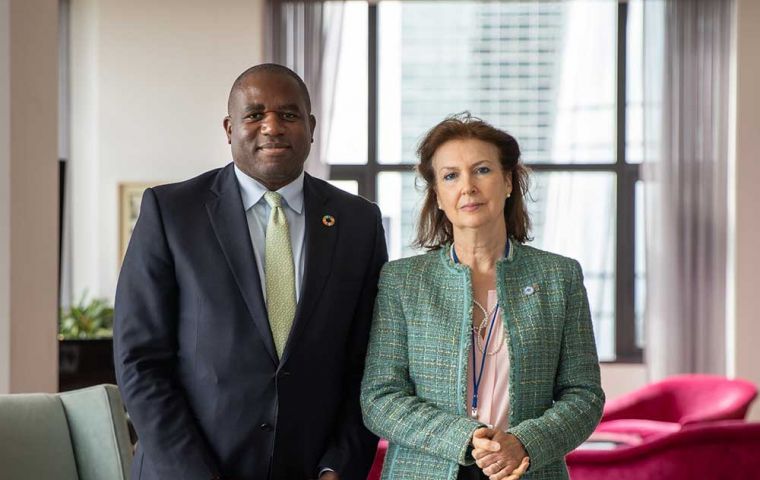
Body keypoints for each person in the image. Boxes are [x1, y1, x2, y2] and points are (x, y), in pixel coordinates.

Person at [114, 63, 387, 480]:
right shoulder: (171, 213)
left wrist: (338, 465)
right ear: (229, 128)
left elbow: (369, 362)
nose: (272, 127)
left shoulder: (358, 223)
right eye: (255, 114)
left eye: (289, 115)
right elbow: (140, 360)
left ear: (311, 127)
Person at [360, 113, 604, 480]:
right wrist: (468, 437)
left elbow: (584, 395)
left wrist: (524, 442)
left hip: (527, 468)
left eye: (483, 170)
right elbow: (380, 398)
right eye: (450, 175)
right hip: (426, 468)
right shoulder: (402, 281)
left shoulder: (559, 276)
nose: (468, 187)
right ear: (438, 196)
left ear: (508, 182)